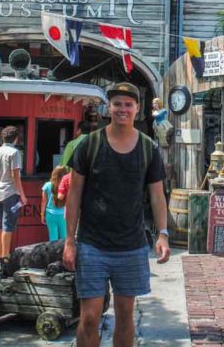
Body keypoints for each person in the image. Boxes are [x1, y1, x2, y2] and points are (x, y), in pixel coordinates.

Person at [62, 82, 170, 347]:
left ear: (138, 109)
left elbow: (157, 195)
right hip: (92, 244)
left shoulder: (148, 149)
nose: (123, 109)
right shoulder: (89, 145)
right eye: (117, 104)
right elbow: (74, 194)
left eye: (128, 104)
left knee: (125, 315)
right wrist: (69, 241)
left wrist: (163, 234)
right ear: (108, 108)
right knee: (89, 317)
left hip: (131, 245)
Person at [0, 126, 27, 264]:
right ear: (16, 138)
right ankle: (6, 255)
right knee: (8, 224)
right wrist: (22, 195)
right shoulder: (15, 152)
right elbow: (15, 175)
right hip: (11, 192)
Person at [58, 124, 90, 203]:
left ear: (79, 130)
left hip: (73, 182)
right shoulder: (96, 144)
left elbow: (64, 166)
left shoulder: (71, 144)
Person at [41, 166, 67, 241]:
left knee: (53, 237)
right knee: (64, 237)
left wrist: (42, 215)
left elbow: (43, 202)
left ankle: (52, 253)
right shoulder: (67, 185)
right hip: (63, 215)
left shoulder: (47, 185)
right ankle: (63, 252)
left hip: (50, 215)